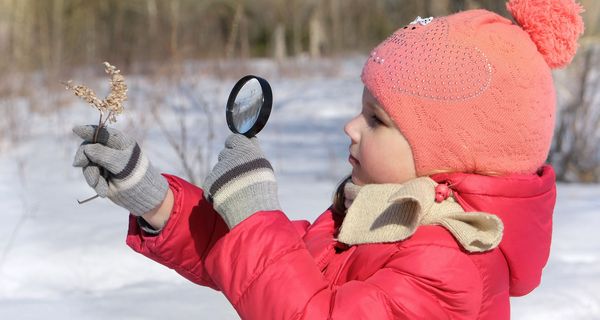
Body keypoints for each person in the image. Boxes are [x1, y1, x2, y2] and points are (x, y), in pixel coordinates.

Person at [72, 0, 584, 318]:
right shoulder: (373, 220)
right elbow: (269, 271)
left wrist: (254, 217)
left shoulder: (451, 266)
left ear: (449, 158)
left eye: (377, 121)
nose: (350, 127)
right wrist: (159, 202)